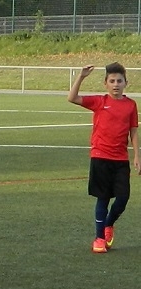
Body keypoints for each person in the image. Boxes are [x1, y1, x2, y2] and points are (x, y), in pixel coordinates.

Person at [68, 62, 141, 253]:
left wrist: (137, 155)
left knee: (122, 198)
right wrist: (81, 76)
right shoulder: (99, 101)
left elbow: (133, 131)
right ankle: (99, 238)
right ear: (105, 83)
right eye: (112, 81)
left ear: (126, 83)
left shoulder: (131, 105)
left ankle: (108, 224)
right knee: (103, 198)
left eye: (119, 81)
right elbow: (72, 98)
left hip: (120, 159)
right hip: (100, 157)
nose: (116, 84)